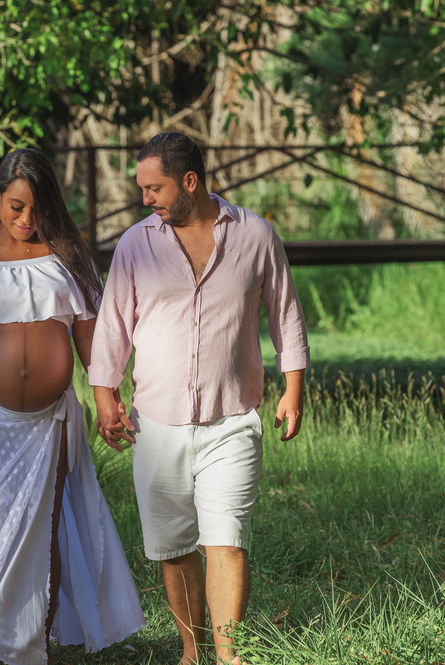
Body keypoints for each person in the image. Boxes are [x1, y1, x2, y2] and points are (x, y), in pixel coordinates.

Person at [89, 132, 310, 665]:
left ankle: (229, 658)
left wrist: (293, 388)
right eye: (142, 188)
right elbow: (112, 329)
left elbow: (285, 313)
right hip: (156, 426)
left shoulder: (256, 236)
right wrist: (104, 398)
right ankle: (193, 651)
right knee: (174, 550)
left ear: (190, 181)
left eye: (155, 187)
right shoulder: (135, 245)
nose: (146, 198)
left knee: (226, 541)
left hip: (232, 419)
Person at [0, 148, 145, 665]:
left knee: (41, 525)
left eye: (36, 209)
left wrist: (107, 400)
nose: (26, 219)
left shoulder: (66, 256)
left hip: (49, 421)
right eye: (15, 207)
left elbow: (90, 339)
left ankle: (31, 641)